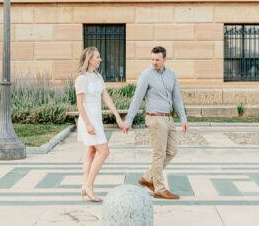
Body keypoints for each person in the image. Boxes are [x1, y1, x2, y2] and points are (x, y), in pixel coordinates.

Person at [122, 45, 187, 200]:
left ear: (165, 59)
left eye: (157, 59)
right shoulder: (146, 75)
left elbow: (177, 97)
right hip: (155, 118)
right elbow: (137, 98)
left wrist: (183, 118)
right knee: (159, 153)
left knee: (172, 151)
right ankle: (159, 188)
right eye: (152, 59)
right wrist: (128, 120)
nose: (154, 62)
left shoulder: (172, 74)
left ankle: (147, 177)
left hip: (169, 118)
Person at [74, 46, 129, 202]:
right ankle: (89, 185)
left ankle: (85, 186)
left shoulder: (98, 77)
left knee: (91, 152)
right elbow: (80, 105)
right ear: (90, 59)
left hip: (97, 119)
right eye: (97, 57)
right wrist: (88, 124)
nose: (100, 59)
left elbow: (107, 98)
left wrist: (118, 117)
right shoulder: (81, 79)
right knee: (104, 152)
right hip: (88, 120)